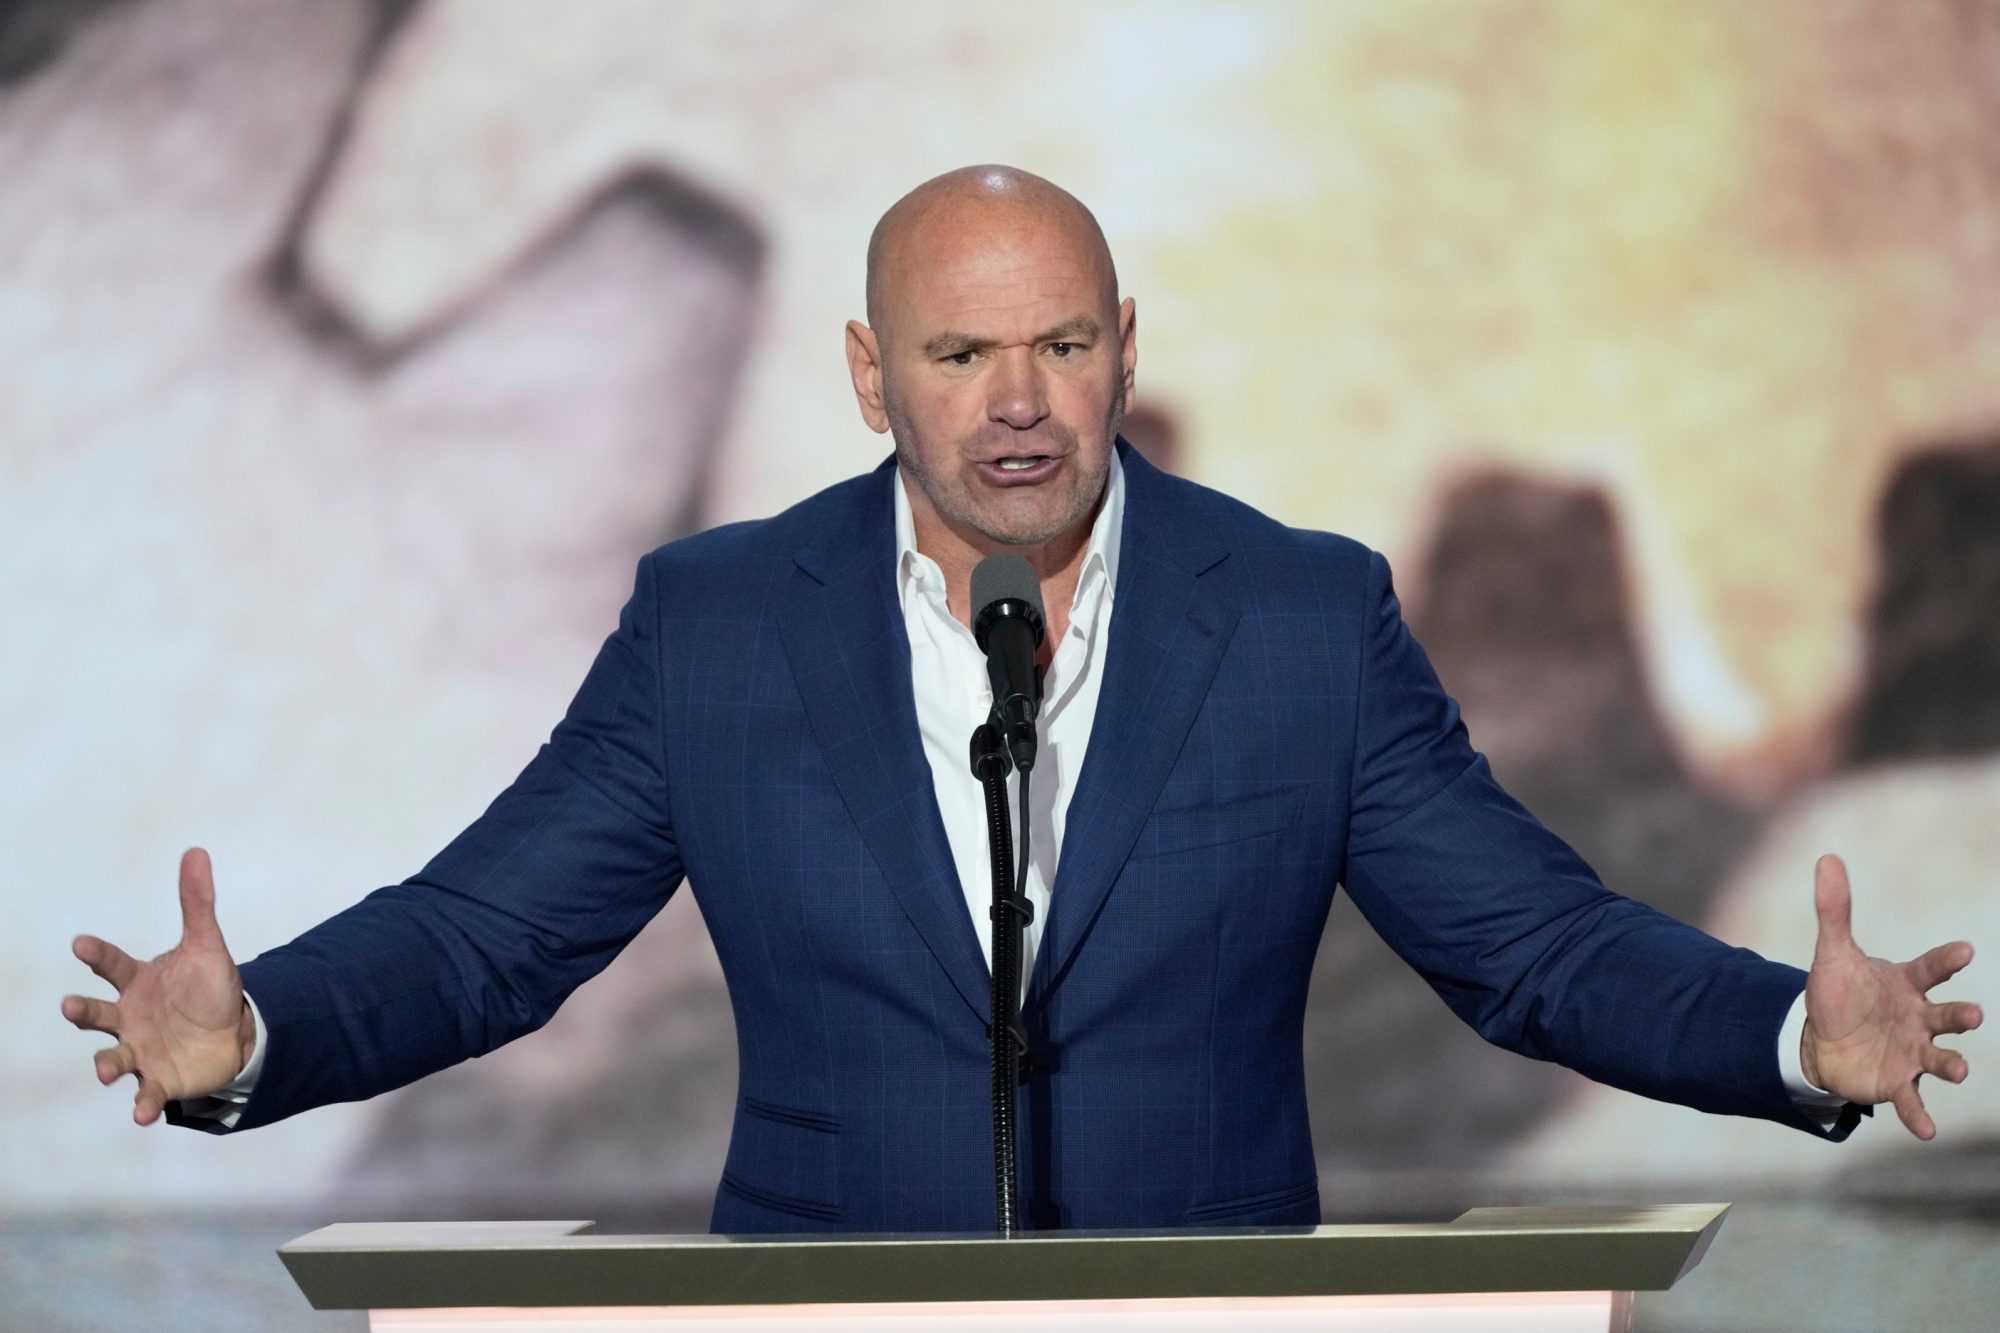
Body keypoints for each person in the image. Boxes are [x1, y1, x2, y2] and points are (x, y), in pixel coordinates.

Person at [62, 166, 1982, 1233]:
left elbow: (1531, 945)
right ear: (865, 371)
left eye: (1062, 342)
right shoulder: (718, 623)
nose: (1016, 401)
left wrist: (1787, 1040)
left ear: (1126, 350)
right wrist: (258, 1036)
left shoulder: (1302, 619)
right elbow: (493, 937)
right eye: (960, 349)